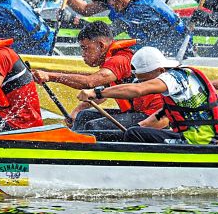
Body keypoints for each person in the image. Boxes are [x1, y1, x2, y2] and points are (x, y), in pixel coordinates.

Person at [76, 46, 218, 144]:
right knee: (133, 131)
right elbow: (162, 114)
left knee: (133, 134)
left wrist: (96, 92)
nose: (144, 84)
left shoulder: (175, 77)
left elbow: (138, 90)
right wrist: (140, 125)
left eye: (146, 79)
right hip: (190, 137)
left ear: (160, 71)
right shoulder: (174, 84)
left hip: (199, 142)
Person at [32, 21, 162, 133]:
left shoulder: (119, 59)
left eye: (85, 48)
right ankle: (72, 145)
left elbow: (90, 82)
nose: (83, 54)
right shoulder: (111, 60)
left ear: (100, 45)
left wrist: (50, 76)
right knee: (83, 116)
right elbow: (102, 93)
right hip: (135, 112)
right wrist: (76, 111)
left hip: (151, 115)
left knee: (94, 126)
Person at [65, 0, 187, 55]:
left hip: (177, 49)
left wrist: (74, 20)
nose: (111, 2)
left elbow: (108, 32)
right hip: (151, 45)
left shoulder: (141, 8)